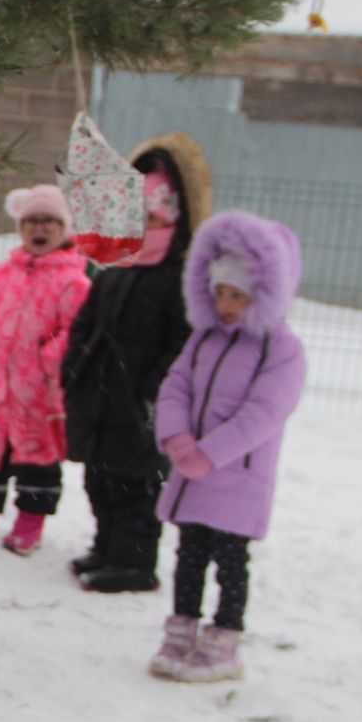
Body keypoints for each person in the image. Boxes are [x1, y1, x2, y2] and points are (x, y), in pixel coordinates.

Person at [148, 211, 306, 683]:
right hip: (191, 468)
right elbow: (177, 384)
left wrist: (209, 452)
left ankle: (225, 637)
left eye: (237, 294)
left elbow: (264, 413)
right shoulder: (205, 337)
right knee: (190, 553)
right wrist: (176, 436)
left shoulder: (281, 349)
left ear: (264, 293)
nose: (227, 304)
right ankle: (181, 628)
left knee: (230, 558)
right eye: (219, 292)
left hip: (237, 476)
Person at [61, 133, 212, 592]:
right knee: (100, 479)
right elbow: (86, 321)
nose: (145, 230)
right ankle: (107, 547)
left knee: (135, 485)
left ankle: (135, 562)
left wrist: (154, 387)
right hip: (102, 391)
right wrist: (75, 364)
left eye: (154, 220)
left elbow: (182, 342)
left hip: (142, 402)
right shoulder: (116, 270)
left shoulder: (178, 281)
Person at [0, 184, 90, 555]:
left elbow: (78, 329)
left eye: (48, 222)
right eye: (31, 222)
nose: (39, 229)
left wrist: (48, 360)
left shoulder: (73, 280)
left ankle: (30, 522)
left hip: (39, 394)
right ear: (20, 227)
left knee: (36, 461)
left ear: (64, 229)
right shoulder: (0, 274)